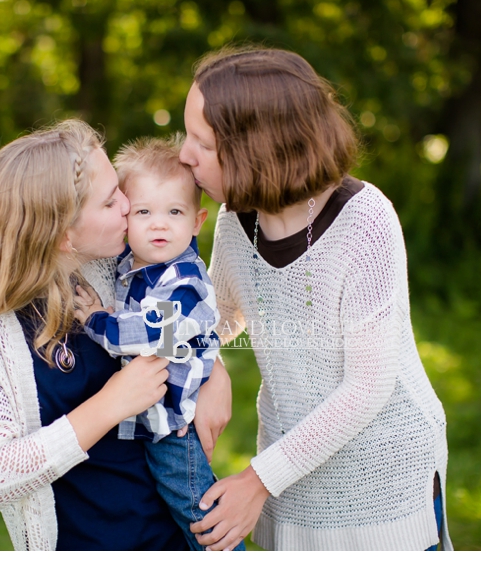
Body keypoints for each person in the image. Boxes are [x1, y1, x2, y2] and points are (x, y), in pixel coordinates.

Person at [177, 47, 453, 551]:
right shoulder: (238, 218)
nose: (184, 155)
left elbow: (368, 386)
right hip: (291, 475)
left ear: (256, 148)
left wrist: (256, 481)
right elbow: (213, 320)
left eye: (202, 142)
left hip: (382, 484)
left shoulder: (364, 220)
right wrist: (213, 366)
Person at [0, 120, 233, 551]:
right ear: (63, 235)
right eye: (110, 201)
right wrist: (109, 405)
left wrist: (216, 370)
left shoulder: (110, 264)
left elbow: (184, 309)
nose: (128, 205)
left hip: (172, 530)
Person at [72, 136, 243, 551]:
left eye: (174, 212)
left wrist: (97, 319)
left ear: (197, 221)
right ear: (125, 215)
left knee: (195, 508)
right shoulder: (132, 264)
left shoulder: (182, 282)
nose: (159, 224)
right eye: (144, 211)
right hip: (147, 418)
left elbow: (149, 338)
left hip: (173, 425)